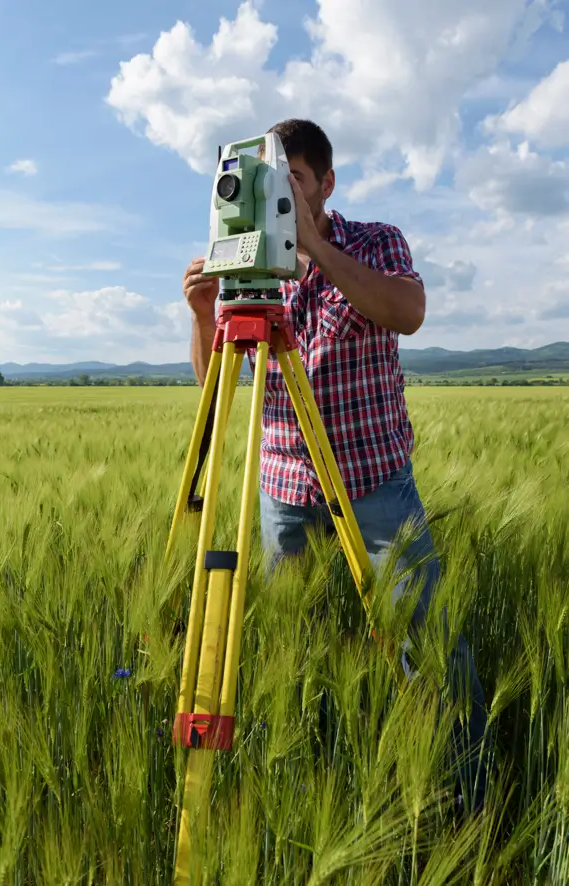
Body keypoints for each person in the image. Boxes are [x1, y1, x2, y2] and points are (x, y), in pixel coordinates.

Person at [183, 118, 489, 814]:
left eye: (291, 184)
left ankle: (470, 800)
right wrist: (206, 313)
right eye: (269, 187)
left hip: (373, 487)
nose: (279, 200)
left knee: (429, 645)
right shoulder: (251, 269)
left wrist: (313, 245)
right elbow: (220, 384)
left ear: (326, 182)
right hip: (285, 493)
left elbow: (407, 311)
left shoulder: (375, 241)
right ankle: (319, 789)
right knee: (304, 647)